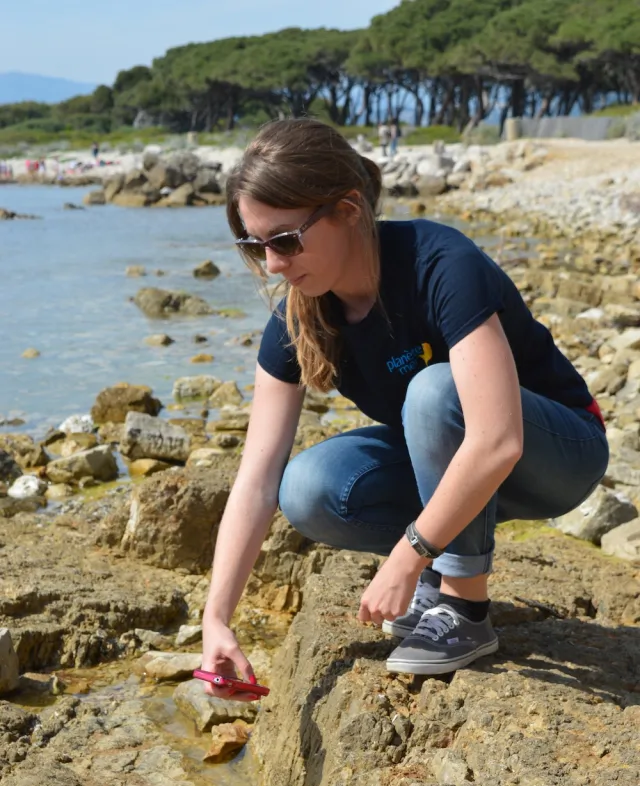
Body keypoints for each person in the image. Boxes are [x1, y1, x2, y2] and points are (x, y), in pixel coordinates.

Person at [200, 117, 608, 698]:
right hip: (460, 467)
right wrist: (217, 618)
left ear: (348, 209)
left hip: (560, 455)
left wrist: (408, 555)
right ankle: (446, 567)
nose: (272, 264)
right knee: (308, 487)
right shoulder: (298, 317)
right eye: (254, 244)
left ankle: (464, 608)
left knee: (435, 391)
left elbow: (498, 439)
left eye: (284, 240)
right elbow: (257, 480)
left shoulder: (439, 263)